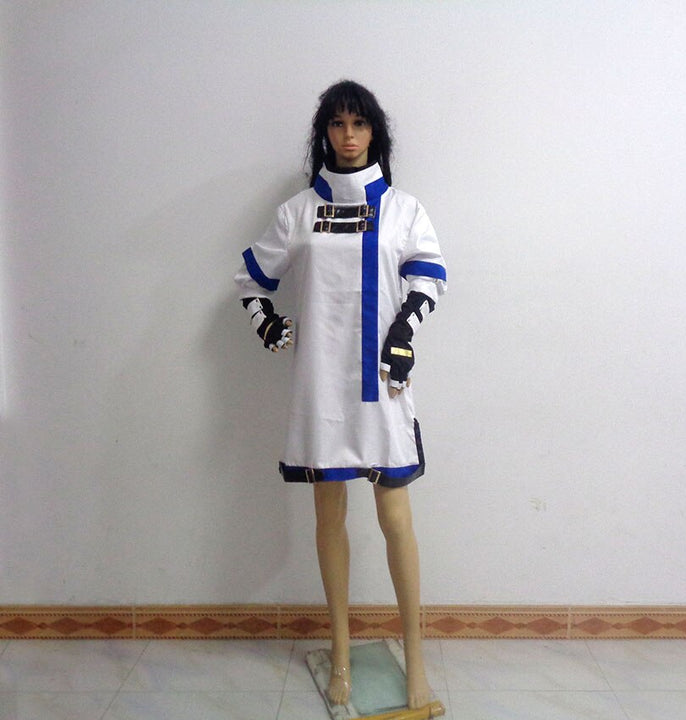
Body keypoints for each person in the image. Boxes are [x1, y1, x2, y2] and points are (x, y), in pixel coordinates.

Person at [234, 80, 447, 710]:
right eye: (337, 124)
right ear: (324, 133)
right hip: (320, 388)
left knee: (395, 518)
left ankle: (416, 659)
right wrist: (265, 321)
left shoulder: (404, 210)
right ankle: (342, 652)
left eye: (359, 123)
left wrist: (405, 330)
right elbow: (250, 278)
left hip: (381, 384)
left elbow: (428, 277)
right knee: (328, 518)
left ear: (375, 132)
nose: (348, 135)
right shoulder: (298, 212)